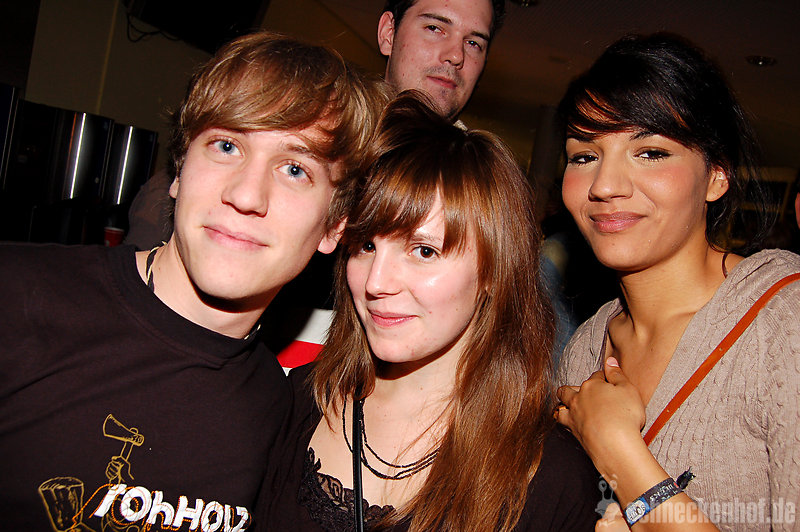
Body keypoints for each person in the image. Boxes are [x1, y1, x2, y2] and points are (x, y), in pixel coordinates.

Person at [0, 32, 388, 531]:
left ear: (334, 226)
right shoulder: (16, 297)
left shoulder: (280, 411)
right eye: (227, 146)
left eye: (294, 169)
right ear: (180, 170)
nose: (246, 195)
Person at [258, 93, 599, 531]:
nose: (376, 282)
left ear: (494, 271)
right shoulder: (298, 400)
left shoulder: (554, 478)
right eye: (366, 246)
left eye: (423, 250)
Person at [553, 33, 800, 531]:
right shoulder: (585, 348)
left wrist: (618, 450)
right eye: (584, 156)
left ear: (717, 176)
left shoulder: (782, 322)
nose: (605, 185)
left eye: (650, 152)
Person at [267, 0, 508, 370]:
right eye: (435, 28)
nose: (455, 55)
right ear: (388, 33)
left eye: (474, 42)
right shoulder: (314, 143)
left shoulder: (487, 191)